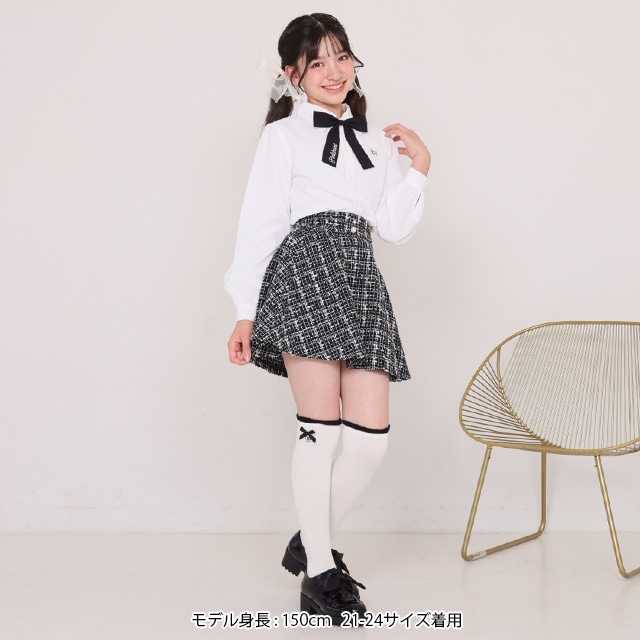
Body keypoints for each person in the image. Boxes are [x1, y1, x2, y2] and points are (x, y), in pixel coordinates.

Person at [224, 13, 430, 625]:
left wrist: (419, 165)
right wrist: (244, 311)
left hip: (360, 279)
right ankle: (320, 572)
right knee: (323, 432)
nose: (334, 71)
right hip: (304, 274)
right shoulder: (282, 137)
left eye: (342, 57)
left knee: (370, 442)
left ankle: (309, 541)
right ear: (293, 74)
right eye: (317, 62)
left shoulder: (377, 142)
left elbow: (393, 227)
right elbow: (259, 223)